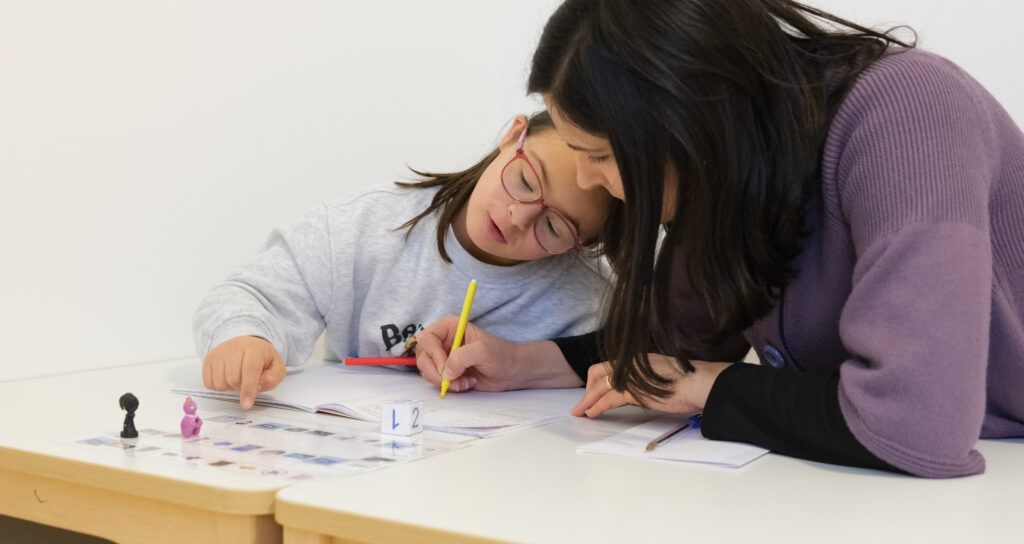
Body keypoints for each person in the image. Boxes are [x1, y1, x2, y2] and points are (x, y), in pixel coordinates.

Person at [415, 0, 1024, 478]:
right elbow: (669, 345)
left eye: (598, 156)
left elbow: (916, 423)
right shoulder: (732, 170)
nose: (586, 181)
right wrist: (522, 363)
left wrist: (712, 389)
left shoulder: (909, 112)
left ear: (688, 123)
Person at [194, 111, 613, 409]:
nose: (517, 216)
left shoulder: (588, 294)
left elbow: (638, 356)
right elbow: (248, 294)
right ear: (512, 135)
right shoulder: (365, 226)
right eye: (524, 180)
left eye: (553, 227)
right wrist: (244, 338)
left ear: (583, 245)